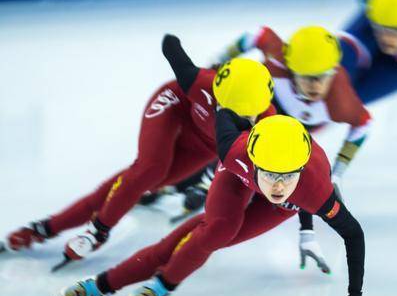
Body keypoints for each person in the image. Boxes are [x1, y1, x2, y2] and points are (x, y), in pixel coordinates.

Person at [51, 93, 390, 296]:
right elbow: (223, 112)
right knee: (213, 231)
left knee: (212, 238)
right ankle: (104, 285)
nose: (277, 185)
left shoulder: (316, 189)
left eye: (287, 175)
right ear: (255, 161)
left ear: (301, 171)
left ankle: (162, 282)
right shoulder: (235, 152)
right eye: (270, 173)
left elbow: (353, 234)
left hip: (284, 194)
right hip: (237, 179)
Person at [1, 37, 275, 269]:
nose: (232, 117)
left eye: (244, 115)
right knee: (149, 170)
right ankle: (99, 230)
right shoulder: (200, 82)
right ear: (217, 92)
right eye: (226, 108)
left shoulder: (267, 126)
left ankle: (45, 227)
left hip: (204, 143)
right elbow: (170, 45)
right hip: (174, 106)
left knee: (144, 183)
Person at [145, 26, 374, 274]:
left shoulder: (341, 102)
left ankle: (198, 186)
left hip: (291, 134)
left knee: (264, 170)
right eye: (305, 76)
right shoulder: (278, 58)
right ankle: (181, 184)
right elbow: (254, 36)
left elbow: (364, 125)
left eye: (322, 77)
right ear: (289, 66)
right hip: (264, 110)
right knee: (225, 147)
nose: (314, 86)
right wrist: (217, 70)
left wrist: (338, 171)